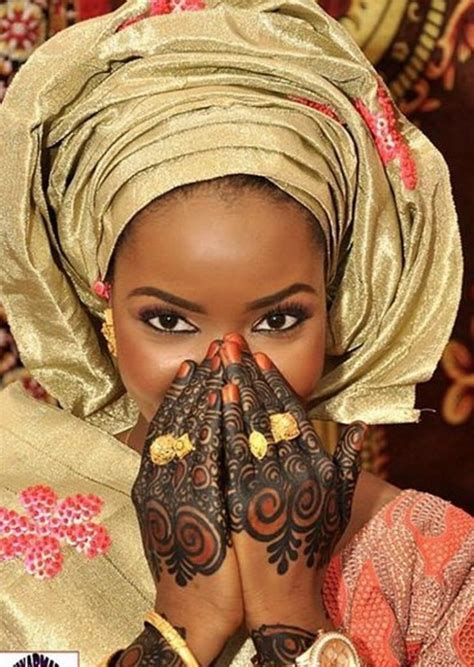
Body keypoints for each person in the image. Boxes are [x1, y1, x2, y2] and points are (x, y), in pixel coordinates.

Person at [0, 0, 472, 665]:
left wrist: (291, 619)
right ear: (101, 310)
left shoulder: (431, 563)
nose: (226, 369)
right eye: (169, 320)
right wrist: (182, 629)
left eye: (278, 320)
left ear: (335, 314)